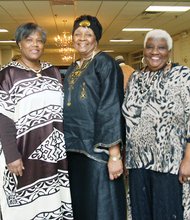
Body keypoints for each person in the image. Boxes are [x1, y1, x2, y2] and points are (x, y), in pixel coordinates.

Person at [0, 22, 73, 220]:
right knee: (25, 207)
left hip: (54, 153)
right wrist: (11, 155)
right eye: (29, 40)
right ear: (19, 44)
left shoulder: (54, 72)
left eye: (39, 41)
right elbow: (3, 118)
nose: (35, 45)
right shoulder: (7, 75)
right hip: (22, 151)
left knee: (53, 199)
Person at [122, 29, 190, 220]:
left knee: (167, 213)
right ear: (144, 50)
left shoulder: (183, 76)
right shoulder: (135, 78)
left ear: (169, 51)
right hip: (137, 163)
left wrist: (189, 158)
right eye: (150, 47)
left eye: (161, 47)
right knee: (140, 213)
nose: (155, 52)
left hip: (169, 163)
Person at [63, 15, 126, 220]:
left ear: (96, 38)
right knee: (82, 205)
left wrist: (114, 155)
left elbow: (111, 107)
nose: (82, 38)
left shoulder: (105, 64)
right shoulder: (73, 68)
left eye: (88, 34)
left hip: (97, 152)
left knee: (102, 207)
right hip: (73, 148)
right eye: (78, 34)